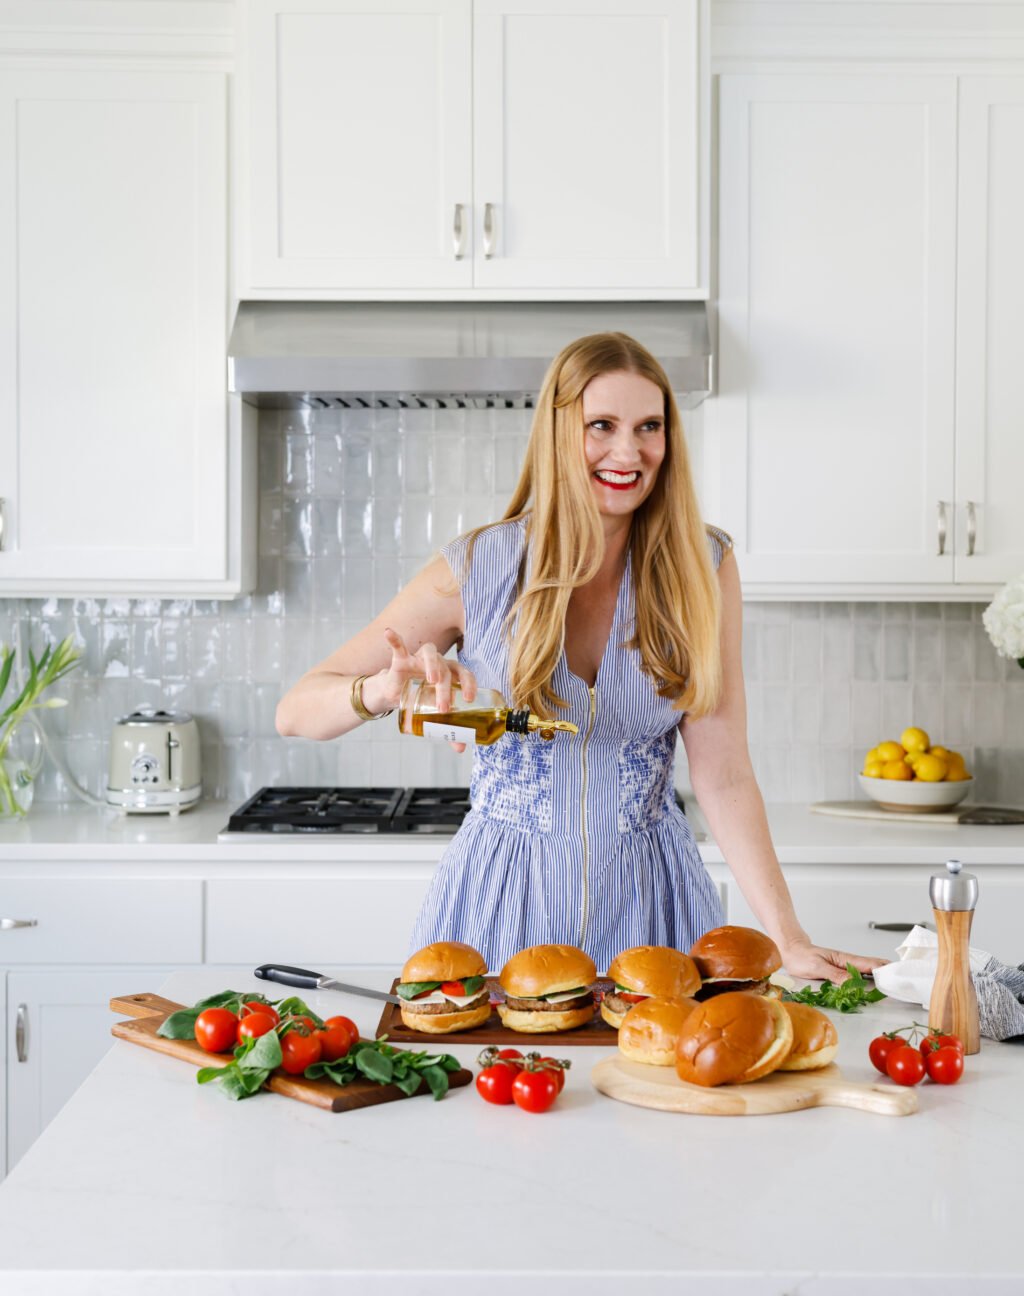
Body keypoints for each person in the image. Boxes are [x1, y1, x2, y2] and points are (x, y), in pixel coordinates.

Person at [277, 332, 883, 982]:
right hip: (501, 907)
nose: (629, 452)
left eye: (649, 427)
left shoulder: (705, 567)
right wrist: (379, 692)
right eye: (602, 425)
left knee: (656, 1078)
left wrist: (787, 936)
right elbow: (296, 710)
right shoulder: (481, 567)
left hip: (654, 911)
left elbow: (725, 771)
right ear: (561, 432)